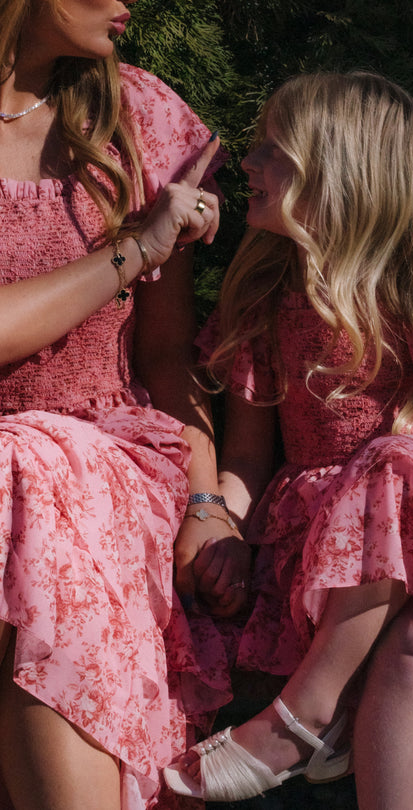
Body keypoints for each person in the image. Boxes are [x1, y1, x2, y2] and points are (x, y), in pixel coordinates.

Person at [164, 71, 413, 807]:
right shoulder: (270, 298)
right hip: (323, 543)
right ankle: (322, 716)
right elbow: (246, 455)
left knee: (398, 466)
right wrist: (226, 528)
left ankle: (303, 714)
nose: (248, 163)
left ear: (338, 172)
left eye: (273, 150)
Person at [0, 1, 251, 808]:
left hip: (104, 459)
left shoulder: (138, 118)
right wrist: (138, 245)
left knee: (29, 469)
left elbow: (166, 354)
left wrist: (206, 500)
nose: (129, 3)